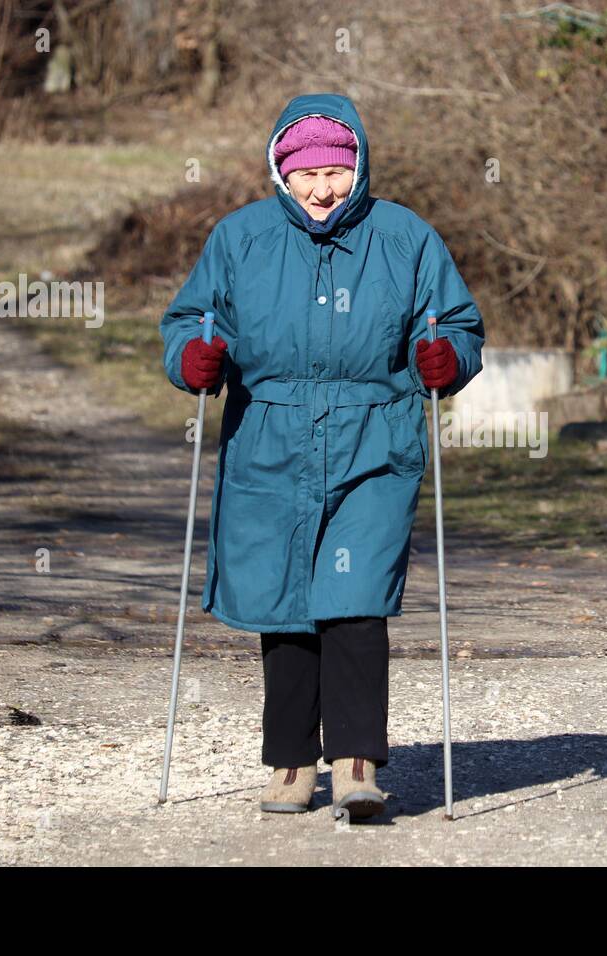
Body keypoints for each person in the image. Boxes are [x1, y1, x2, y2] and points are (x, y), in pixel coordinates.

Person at [159, 92, 484, 819]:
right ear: (280, 169)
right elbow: (188, 322)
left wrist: (445, 359)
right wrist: (195, 359)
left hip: (374, 440)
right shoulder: (239, 239)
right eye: (304, 173)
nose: (321, 188)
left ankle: (357, 762)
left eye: (335, 172)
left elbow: (459, 325)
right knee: (286, 603)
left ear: (358, 165)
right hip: (268, 442)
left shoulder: (405, 238)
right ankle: (289, 763)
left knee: (355, 598)